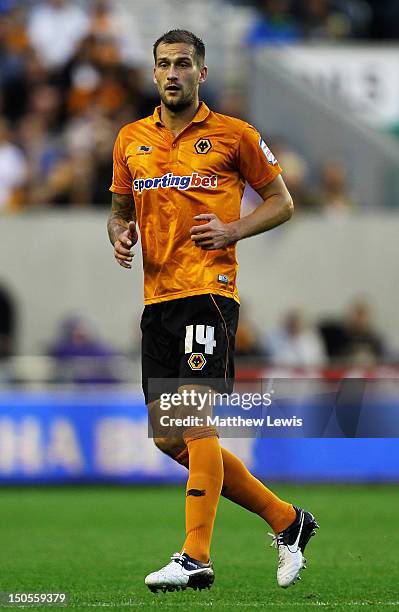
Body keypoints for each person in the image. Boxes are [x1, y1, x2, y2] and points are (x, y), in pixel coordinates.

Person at [107, 29, 318, 594]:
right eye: (163, 65)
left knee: (196, 422)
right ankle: (287, 520)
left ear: (202, 72)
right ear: (153, 74)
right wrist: (120, 234)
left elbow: (282, 202)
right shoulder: (130, 138)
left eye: (182, 64)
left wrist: (233, 228)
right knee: (170, 438)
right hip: (157, 300)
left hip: (209, 291)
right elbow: (118, 208)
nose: (171, 73)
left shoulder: (234, 134)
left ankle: (194, 556)